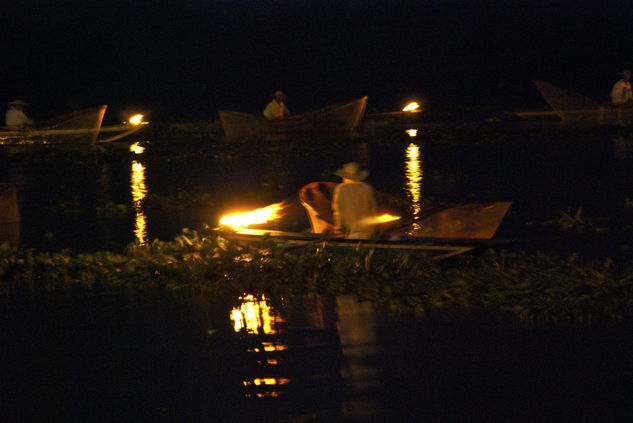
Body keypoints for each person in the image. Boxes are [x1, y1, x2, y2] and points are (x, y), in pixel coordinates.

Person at [332, 162, 377, 239]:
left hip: (351, 231)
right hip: (367, 231)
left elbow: (338, 211)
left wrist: (339, 227)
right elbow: (373, 209)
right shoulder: (367, 188)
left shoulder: (341, 189)